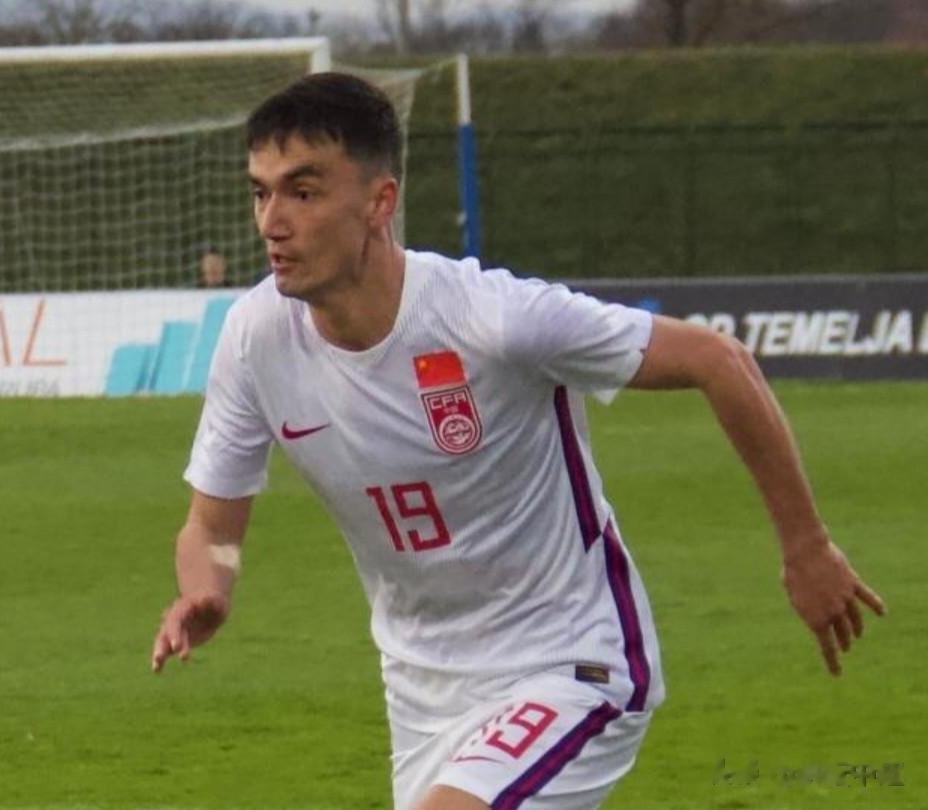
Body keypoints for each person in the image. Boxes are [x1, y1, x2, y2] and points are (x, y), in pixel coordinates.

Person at [150, 72, 885, 810]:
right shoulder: (255, 339)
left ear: (380, 202)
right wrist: (207, 589)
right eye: (260, 193)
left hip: (571, 662)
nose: (272, 221)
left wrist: (807, 546)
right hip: (423, 695)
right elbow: (213, 527)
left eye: (303, 192)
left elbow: (718, 360)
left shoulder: (491, 319)